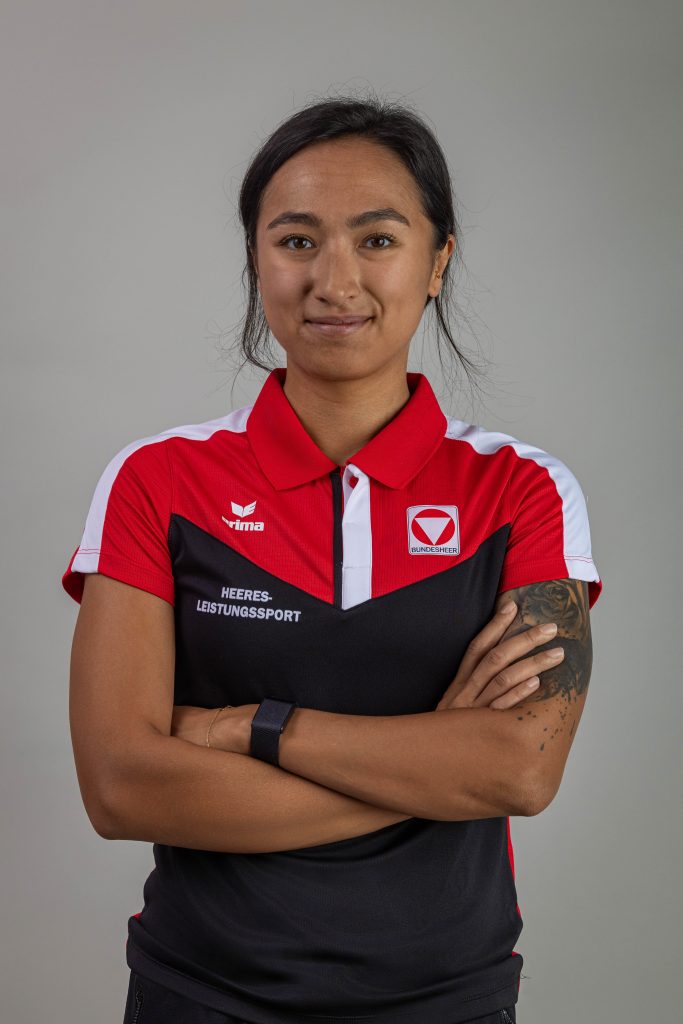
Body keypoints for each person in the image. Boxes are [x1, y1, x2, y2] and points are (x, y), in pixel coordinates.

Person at [62, 95, 603, 1024]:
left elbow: (520, 769)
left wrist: (250, 728)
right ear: (256, 259)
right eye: (297, 241)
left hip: (447, 999)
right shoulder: (158, 480)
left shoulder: (522, 491)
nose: (334, 279)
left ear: (438, 262)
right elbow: (121, 788)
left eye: (377, 239)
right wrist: (435, 763)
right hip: (202, 994)